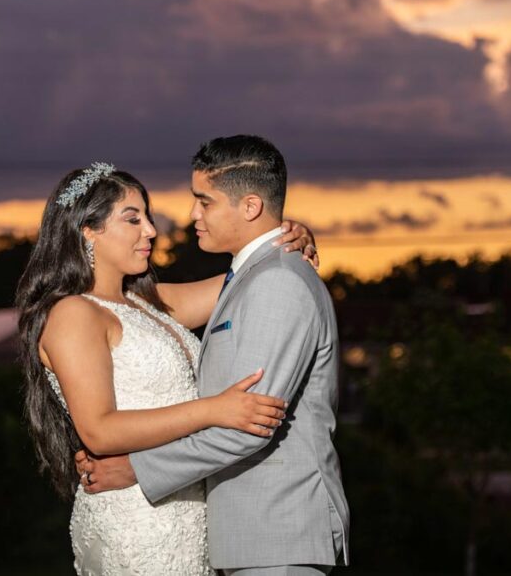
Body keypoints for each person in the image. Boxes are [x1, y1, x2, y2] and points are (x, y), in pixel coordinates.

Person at [15, 162, 319, 575]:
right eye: (132, 218)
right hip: (134, 517)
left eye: (148, 217)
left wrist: (285, 236)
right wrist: (213, 410)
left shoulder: (148, 302)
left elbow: (247, 275)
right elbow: (99, 430)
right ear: (88, 230)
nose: (151, 231)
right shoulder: (73, 313)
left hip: (186, 509)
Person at [78, 137, 350, 575]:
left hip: (274, 530)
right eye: (133, 219)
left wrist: (138, 470)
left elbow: (250, 422)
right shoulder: (242, 281)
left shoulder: (275, 282)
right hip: (225, 529)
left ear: (249, 207)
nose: (188, 216)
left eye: (204, 201)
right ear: (86, 231)